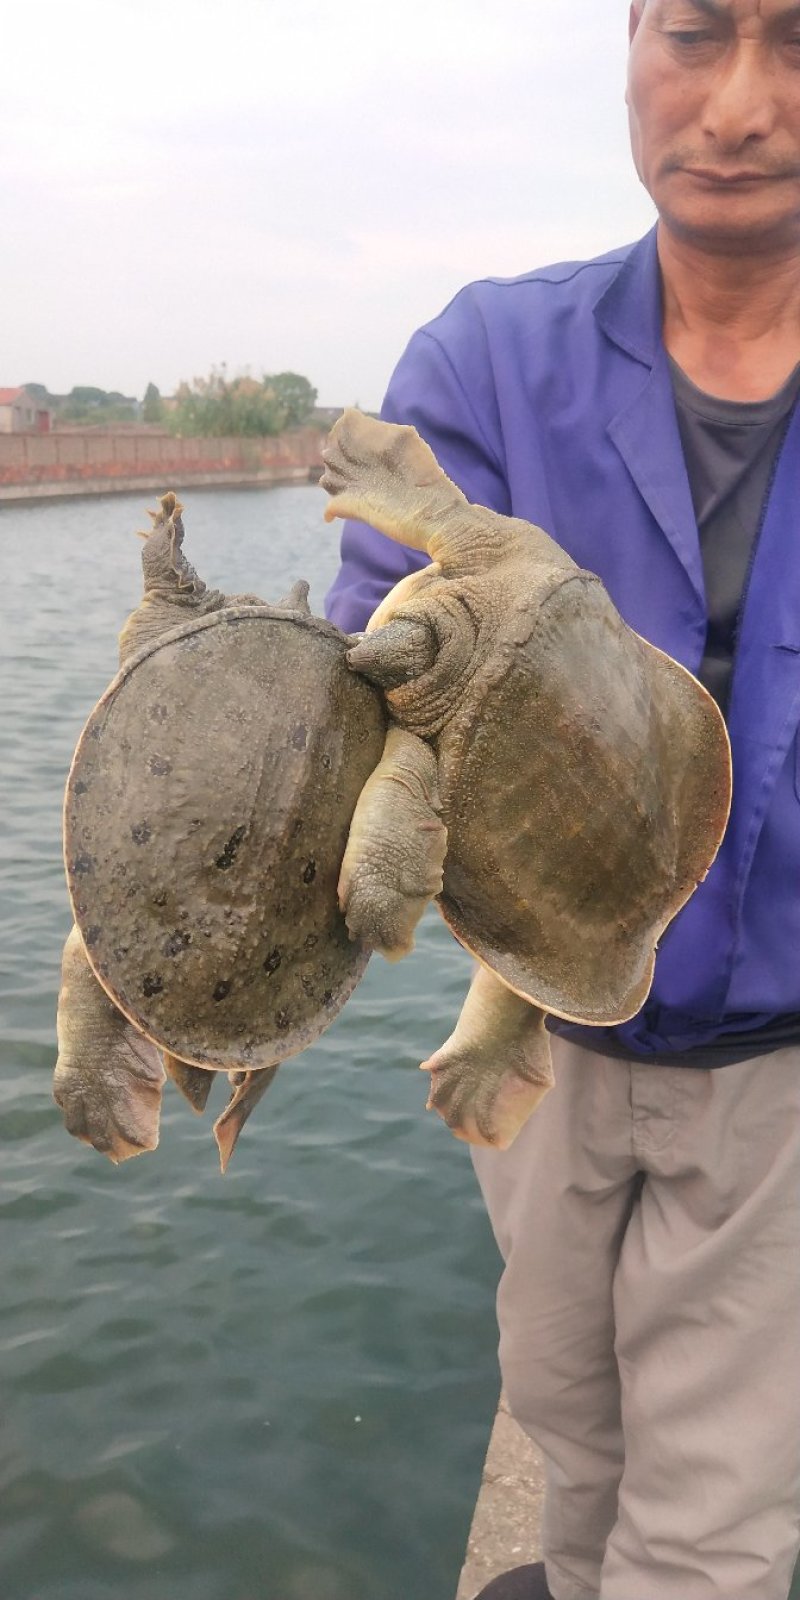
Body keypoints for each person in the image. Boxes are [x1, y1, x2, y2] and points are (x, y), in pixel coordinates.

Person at [325, 3, 800, 1597]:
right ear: (628, 54)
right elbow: (364, 669)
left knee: (716, 1515)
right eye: (697, 34)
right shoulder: (489, 362)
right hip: (536, 1019)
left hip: (783, 1069)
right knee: (564, 1409)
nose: (737, 104)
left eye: (798, 43)